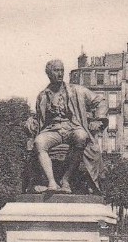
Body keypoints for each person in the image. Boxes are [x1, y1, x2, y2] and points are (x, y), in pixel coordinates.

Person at [24, 59, 108, 195]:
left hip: (73, 127)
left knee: (82, 136)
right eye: (56, 70)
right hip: (52, 130)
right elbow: (39, 118)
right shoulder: (43, 96)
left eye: (62, 70)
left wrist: (98, 120)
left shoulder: (77, 91)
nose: (60, 73)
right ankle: (52, 182)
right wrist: (30, 122)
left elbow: (100, 101)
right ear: (49, 73)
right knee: (39, 142)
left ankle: (66, 180)